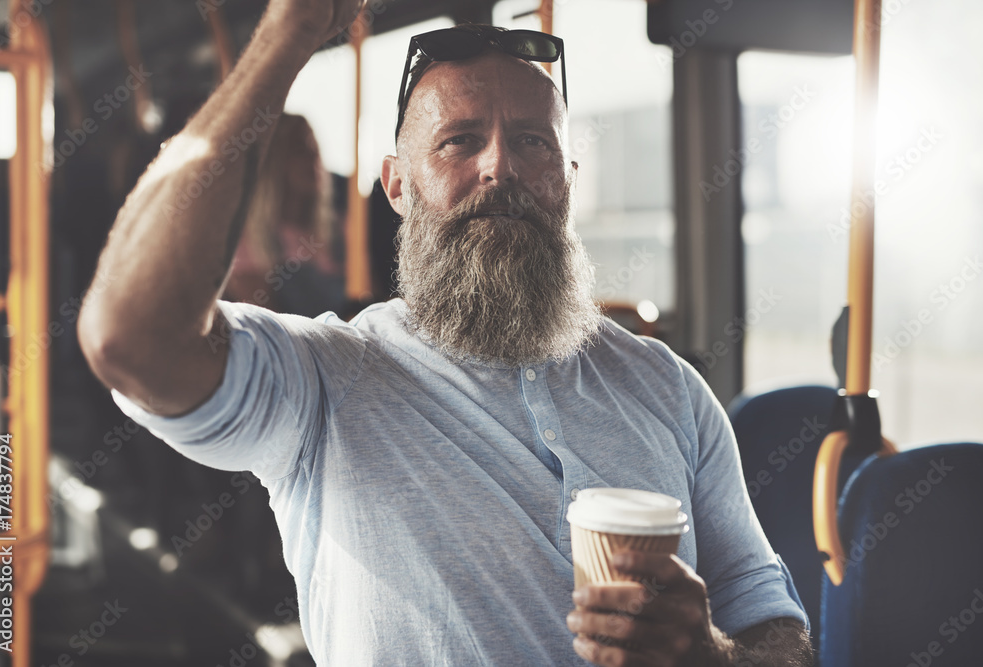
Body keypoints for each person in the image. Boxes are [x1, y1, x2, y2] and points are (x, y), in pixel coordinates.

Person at [77, 1, 815, 665]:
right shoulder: (326, 382)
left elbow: (778, 632)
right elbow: (129, 339)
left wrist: (709, 656)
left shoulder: (670, 388)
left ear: (567, 177)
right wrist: (287, 34)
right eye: (460, 141)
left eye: (532, 142)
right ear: (398, 185)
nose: (501, 167)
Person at [222, 112, 345, 317]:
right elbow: (263, 318)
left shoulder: (340, 229)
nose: (313, 158)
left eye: (315, 149)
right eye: (300, 149)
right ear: (274, 160)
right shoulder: (246, 240)